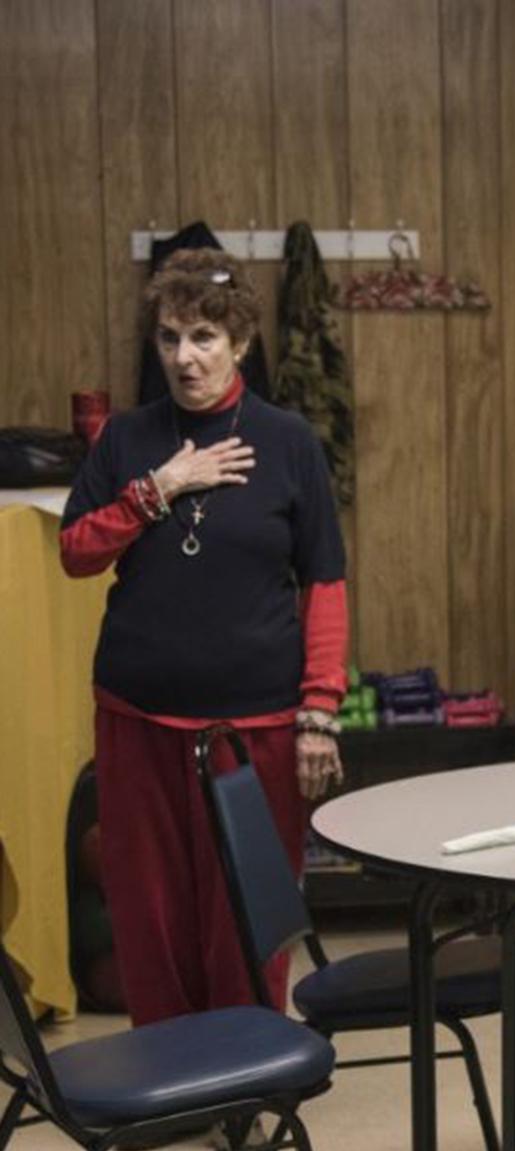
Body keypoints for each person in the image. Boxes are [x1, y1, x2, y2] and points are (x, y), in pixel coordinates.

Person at [60, 249, 348, 1027]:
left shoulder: (289, 443)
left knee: (247, 909)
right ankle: (171, 1073)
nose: (184, 358)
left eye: (203, 338)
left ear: (241, 341)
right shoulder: (127, 438)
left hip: (254, 724)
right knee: (149, 912)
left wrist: (319, 708)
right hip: (138, 717)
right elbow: (77, 552)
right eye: (169, 338)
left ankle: (247, 1072)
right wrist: (159, 489)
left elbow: (325, 582)